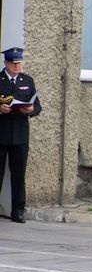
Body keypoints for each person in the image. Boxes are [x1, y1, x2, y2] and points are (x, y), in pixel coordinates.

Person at [0, 47, 42, 223]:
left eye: (19, 63)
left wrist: (31, 110)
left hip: (20, 135)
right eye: (13, 63)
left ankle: (18, 211)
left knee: (19, 175)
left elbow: (37, 106)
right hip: (1, 134)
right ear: (6, 63)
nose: (17, 66)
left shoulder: (27, 81)